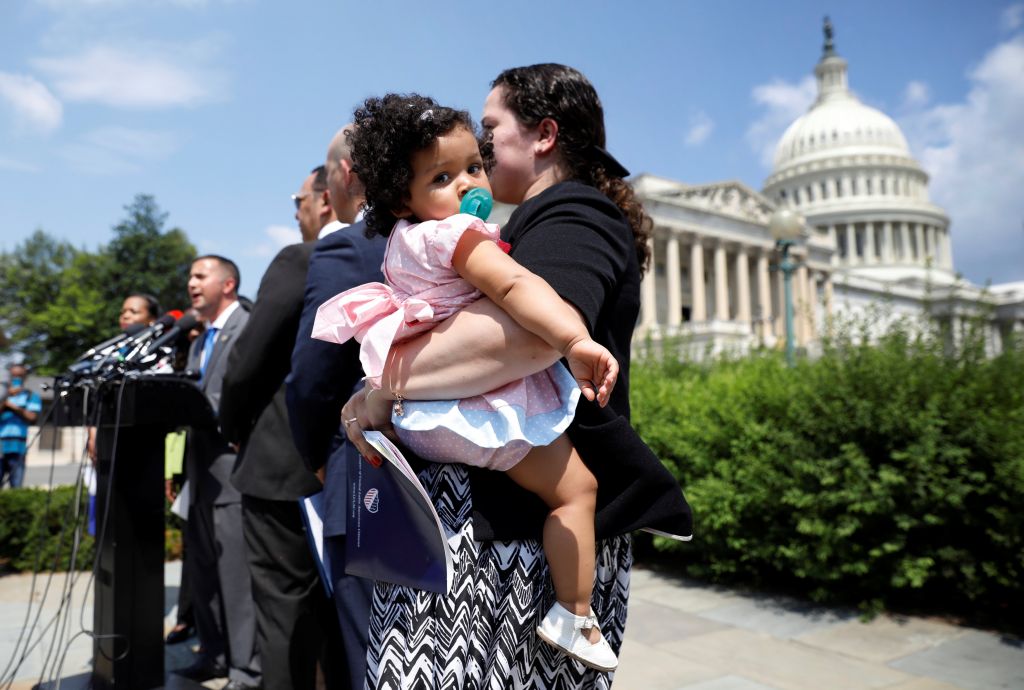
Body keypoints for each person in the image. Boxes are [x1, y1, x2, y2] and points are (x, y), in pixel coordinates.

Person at [341, 64, 693, 688]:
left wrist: (380, 387)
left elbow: (526, 337)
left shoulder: (570, 215)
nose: (481, 148)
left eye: (492, 128)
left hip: (511, 548)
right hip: (504, 530)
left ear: (544, 136)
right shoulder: (494, 229)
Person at [312, 93, 620, 670]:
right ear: (402, 195)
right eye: (443, 176)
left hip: (424, 421)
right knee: (576, 490)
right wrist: (574, 340)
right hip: (480, 411)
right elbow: (513, 290)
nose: (466, 184)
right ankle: (576, 614)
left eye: (473, 167)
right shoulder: (457, 235)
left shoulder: (401, 245)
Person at [219, 166, 345, 690]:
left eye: (297, 199)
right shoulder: (394, 256)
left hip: (284, 466)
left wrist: (232, 425)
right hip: (359, 465)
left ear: (326, 197)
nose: (295, 212)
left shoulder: (304, 259)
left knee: (285, 619)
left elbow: (248, 362)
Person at [286, 125, 386, 690]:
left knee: (366, 649)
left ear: (345, 176)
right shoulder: (457, 238)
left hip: (363, 475)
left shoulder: (349, 244)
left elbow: (311, 376)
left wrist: (314, 455)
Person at [174, 255, 260, 690]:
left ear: (227, 284)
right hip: (198, 468)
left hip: (231, 466)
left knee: (234, 573)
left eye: (199, 276)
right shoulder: (195, 340)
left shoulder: (245, 323)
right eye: (189, 276)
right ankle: (215, 655)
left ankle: (246, 669)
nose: (191, 283)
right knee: (203, 569)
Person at [1, 363, 41, 489]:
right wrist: (6, 397)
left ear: (25, 377)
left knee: (16, 487)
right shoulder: (2, 396)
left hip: (18, 447)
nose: (16, 378)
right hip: (0, 446)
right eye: (13, 376)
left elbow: (32, 417)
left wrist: (13, 407)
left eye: (20, 376)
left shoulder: (31, 396)